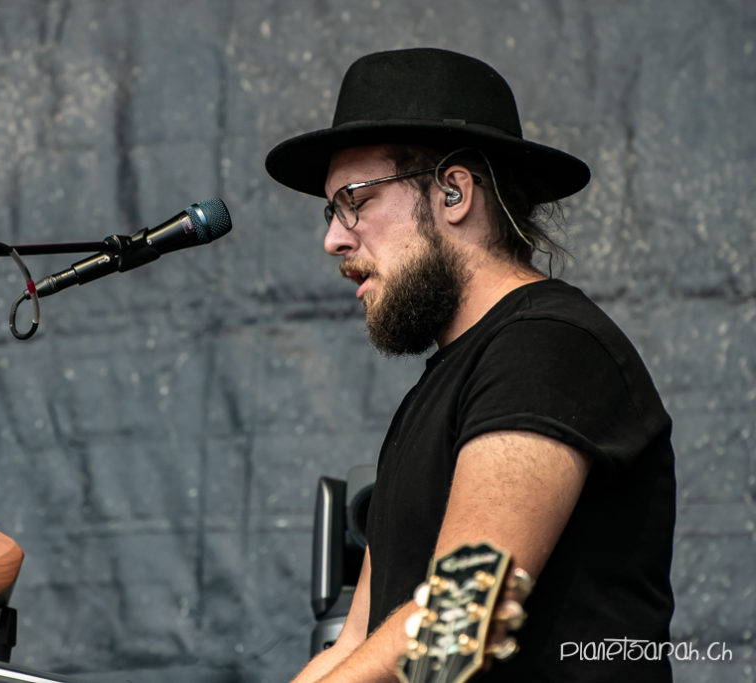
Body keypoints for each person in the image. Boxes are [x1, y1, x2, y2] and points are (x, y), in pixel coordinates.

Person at [265, 48, 676, 682]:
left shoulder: (546, 347)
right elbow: (355, 642)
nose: (335, 238)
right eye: (331, 211)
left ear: (453, 192)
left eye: (354, 200)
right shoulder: (439, 388)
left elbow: (458, 613)